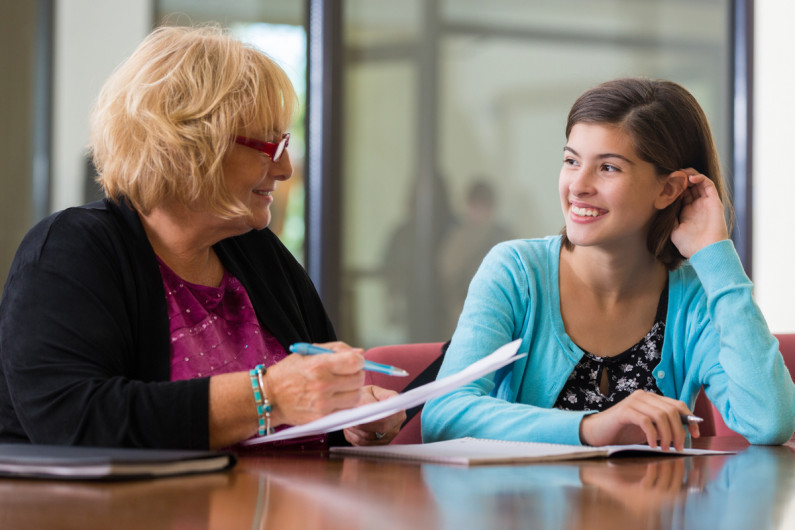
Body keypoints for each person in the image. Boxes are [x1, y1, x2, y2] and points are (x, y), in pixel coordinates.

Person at [0, 25, 404, 450]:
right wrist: (267, 396)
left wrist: (355, 415)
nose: (285, 171)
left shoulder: (258, 252)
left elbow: (311, 404)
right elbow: (76, 423)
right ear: (189, 146)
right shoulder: (71, 251)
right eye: (269, 145)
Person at [422, 78, 795, 450]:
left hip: (662, 509)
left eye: (608, 168)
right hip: (528, 509)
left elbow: (770, 421)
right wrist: (592, 427)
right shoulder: (516, 271)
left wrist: (716, 255)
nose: (578, 186)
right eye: (571, 161)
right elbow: (444, 416)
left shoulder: (697, 296)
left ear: (668, 190)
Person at [438, 179, 512, 335]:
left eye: (482, 206)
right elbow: (448, 276)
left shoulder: (502, 237)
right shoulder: (459, 238)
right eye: (476, 206)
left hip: (490, 317)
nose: (478, 212)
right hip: (465, 316)